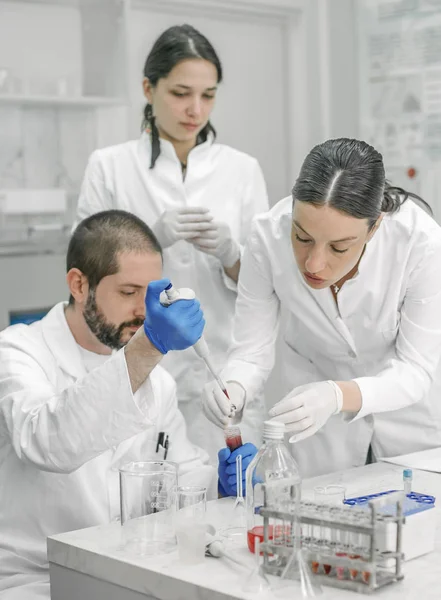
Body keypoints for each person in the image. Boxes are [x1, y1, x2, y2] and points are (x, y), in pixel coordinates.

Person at [0, 210, 252, 600]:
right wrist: (148, 346)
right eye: (128, 292)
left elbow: (179, 474)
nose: (143, 310)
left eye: (151, 294)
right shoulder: (18, 352)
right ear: (79, 284)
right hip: (33, 579)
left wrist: (218, 484)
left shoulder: (158, 381)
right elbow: (49, 441)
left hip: (122, 569)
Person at [74, 24, 269, 462]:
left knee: (229, 501)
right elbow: (83, 275)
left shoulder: (242, 170)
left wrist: (233, 253)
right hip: (136, 369)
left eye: (209, 95)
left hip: (218, 373)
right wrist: (148, 239)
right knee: (144, 502)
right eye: (181, 93)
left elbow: (264, 285)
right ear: (149, 87)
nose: (195, 109)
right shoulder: (109, 167)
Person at [202, 137, 441, 478]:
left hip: (411, 423)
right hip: (320, 434)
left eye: (339, 247)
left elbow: (415, 370)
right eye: (302, 238)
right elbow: (250, 353)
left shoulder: (420, 244)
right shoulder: (266, 237)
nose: (314, 263)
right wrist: (233, 387)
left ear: (374, 227)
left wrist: (336, 395)